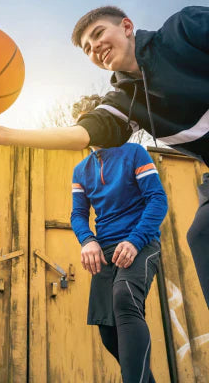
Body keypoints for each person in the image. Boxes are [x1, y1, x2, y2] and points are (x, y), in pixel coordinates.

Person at [0, 5, 209, 307]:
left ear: (127, 26)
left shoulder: (183, 28)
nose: (95, 47)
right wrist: (1, 134)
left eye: (99, 34)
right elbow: (80, 135)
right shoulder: (127, 101)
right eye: (87, 48)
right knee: (202, 236)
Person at [71, 142, 167, 383]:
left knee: (124, 297)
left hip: (141, 242)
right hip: (105, 250)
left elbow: (157, 199)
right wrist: (87, 241)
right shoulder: (80, 170)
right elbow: (79, 214)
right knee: (108, 330)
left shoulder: (134, 152)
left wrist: (135, 241)